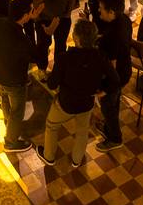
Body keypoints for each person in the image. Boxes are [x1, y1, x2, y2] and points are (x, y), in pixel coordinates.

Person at [36, 19, 120, 167]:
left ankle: (49, 156)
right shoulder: (100, 56)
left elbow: (51, 84)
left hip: (65, 103)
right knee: (82, 132)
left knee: (52, 125)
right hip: (87, 103)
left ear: (76, 37)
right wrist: (104, 91)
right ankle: (76, 160)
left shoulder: (64, 58)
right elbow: (115, 80)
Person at [0, 0, 42, 153]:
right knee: (17, 111)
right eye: (31, 11)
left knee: (5, 100)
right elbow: (36, 56)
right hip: (14, 81)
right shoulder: (21, 38)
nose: (32, 12)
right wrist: (36, 23)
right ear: (25, 15)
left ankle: (8, 123)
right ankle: (11, 142)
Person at [95, 0, 132, 152]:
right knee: (113, 104)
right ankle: (108, 128)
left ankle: (115, 138)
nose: (99, 10)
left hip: (115, 78)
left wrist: (106, 89)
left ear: (111, 12)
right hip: (125, 70)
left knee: (108, 107)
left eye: (101, 8)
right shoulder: (125, 20)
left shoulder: (112, 37)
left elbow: (112, 69)